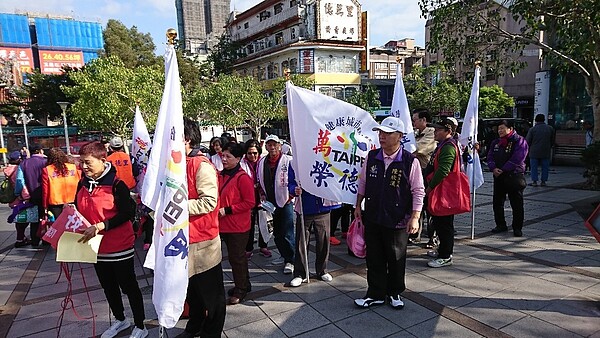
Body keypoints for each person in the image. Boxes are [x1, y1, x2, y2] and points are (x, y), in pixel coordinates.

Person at [76, 142, 147, 338]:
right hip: (96, 247)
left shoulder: (117, 184)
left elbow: (127, 212)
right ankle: (120, 319)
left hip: (119, 246)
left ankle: (140, 325)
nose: (84, 167)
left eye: (88, 162)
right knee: (108, 286)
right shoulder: (82, 183)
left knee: (129, 286)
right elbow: (79, 207)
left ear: (102, 160)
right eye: (81, 163)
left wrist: (102, 225)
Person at [353, 117, 425, 309]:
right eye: (380, 133)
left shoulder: (410, 161)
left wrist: (415, 217)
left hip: (397, 219)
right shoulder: (372, 156)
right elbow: (363, 182)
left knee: (395, 257)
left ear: (400, 137)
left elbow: (418, 190)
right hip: (373, 216)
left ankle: (394, 292)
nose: (382, 137)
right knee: (374, 257)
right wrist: (358, 205)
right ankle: (375, 293)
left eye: (387, 133)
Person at [176, 117, 226, 338]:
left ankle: (212, 332)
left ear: (187, 139)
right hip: (182, 240)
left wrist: (175, 206)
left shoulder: (201, 165)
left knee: (211, 295)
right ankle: (194, 327)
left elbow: (209, 202)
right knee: (191, 292)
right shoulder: (176, 164)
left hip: (203, 242)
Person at [287, 165, 340, 287]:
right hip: (304, 208)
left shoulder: (324, 157)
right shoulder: (295, 162)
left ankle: (322, 270)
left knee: (323, 241)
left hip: (323, 207)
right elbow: (290, 183)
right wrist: (294, 189)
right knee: (301, 242)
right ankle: (300, 273)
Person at [218, 142, 255, 305]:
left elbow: (250, 202)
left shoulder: (243, 178)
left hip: (238, 226)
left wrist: (228, 210)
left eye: (228, 156)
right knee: (235, 258)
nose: (224, 159)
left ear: (238, 159)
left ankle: (241, 289)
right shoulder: (220, 174)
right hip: (222, 225)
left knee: (237, 258)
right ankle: (244, 284)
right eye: (223, 155)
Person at [423, 119, 461, 268]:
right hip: (438, 190)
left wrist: (430, 187)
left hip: (443, 191)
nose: (435, 132)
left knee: (445, 224)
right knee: (439, 223)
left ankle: (446, 255)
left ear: (448, 131)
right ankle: (442, 250)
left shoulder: (449, 147)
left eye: (439, 129)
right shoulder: (442, 145)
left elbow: (443, 170)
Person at [257, 134, 295, 275]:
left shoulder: (288, 160)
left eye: (275, 145)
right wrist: (262, 194)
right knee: (277, 233)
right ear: (266, 146)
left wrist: (291, 196)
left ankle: (291, 259)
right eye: (269, 145)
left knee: (287, 232)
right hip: (270, 202)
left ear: (280, 146)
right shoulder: (262, 162)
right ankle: (283, 255)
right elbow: (259, 180)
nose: (272, 147)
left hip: (286, 201)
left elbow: (295, 180)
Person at [487, 120, 529, 237]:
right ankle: (500, 224)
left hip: (514, 176)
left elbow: (518, 158)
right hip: (498, 176)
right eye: (498, 128)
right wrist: (493, 167)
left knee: (516, 203)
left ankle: (517, 227)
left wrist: (504, 169)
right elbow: (490, 156)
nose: (499, 131)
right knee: (497, 202)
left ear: (510, 128)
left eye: (502, 128)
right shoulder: (496, 142)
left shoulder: (519, 141)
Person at [411, 108, 437, 246]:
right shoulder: (415, 134)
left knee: (429, 207)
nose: (413, 122)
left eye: (415, 119)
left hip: (426, 173)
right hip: (416, 173)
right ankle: (415, 234)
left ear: (424, 120)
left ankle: (433, 238)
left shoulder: (431, 133)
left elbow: (417, 149)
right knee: (417, 205)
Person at [241, 139, 271, 258]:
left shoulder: (264, 162)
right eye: (249, 153)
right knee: (249, 225)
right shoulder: (242, 164)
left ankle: (264, 246)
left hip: (262, 198)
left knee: (264, 223)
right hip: (248, 199)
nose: (252, 156)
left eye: (255, 153)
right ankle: (248, 248)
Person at [15, 144, 47, 247]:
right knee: (47, 216)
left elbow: (20, 180)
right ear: (40, 151)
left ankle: (35, 240)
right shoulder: (46, 162)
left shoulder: (24, 163)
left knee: (35, 219)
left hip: (32, 195)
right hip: (46, 194)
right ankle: (47, 239)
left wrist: (18, 193)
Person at [41, 148, 81, 219]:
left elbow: (45, 190)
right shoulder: (73, 167)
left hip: (56, 202)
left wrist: (45, 205)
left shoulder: (47, 170)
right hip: (73, 199)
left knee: (60, 224)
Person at [5, 151, 31, 247]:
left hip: (13, 198)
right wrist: (25, 196)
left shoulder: (9, 169)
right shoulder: (17, 170)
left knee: (19, 218)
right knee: (23, 219)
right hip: (20, 196)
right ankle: (20, 239)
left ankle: (21, 238)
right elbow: (21, 183)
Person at [526, 114, 555, 187]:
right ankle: (543, 181)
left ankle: (534, 181)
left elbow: (528, 141)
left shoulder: (532, 129)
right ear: (544, 119)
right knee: (545, 167)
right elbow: (552, 140)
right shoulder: (550, 128)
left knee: (534, 167)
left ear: (535, 120)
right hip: (546, 150)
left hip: (534, 151)